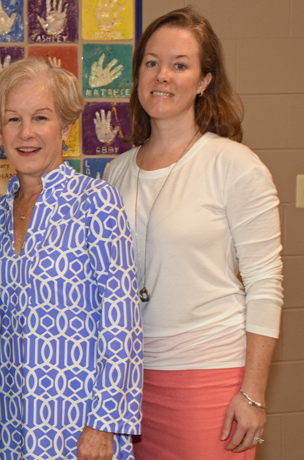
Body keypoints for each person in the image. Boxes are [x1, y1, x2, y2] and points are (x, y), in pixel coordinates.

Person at [104, 7, 283, 460]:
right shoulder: (115, 172)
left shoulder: (235, 165)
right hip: (127, 382)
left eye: (179, 65)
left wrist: (254, 394)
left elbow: (266, 283)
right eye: (151, 62)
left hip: (208, 378)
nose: (162, 76)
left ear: (204, 80)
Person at [0, 57, 143, 460]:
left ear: (65, 128)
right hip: (11, 428)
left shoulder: (97, 202)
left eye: (41, 118)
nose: (26, 132)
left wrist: (104, 424)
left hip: (81, 428)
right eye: (13, 119)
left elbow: (122, 324)